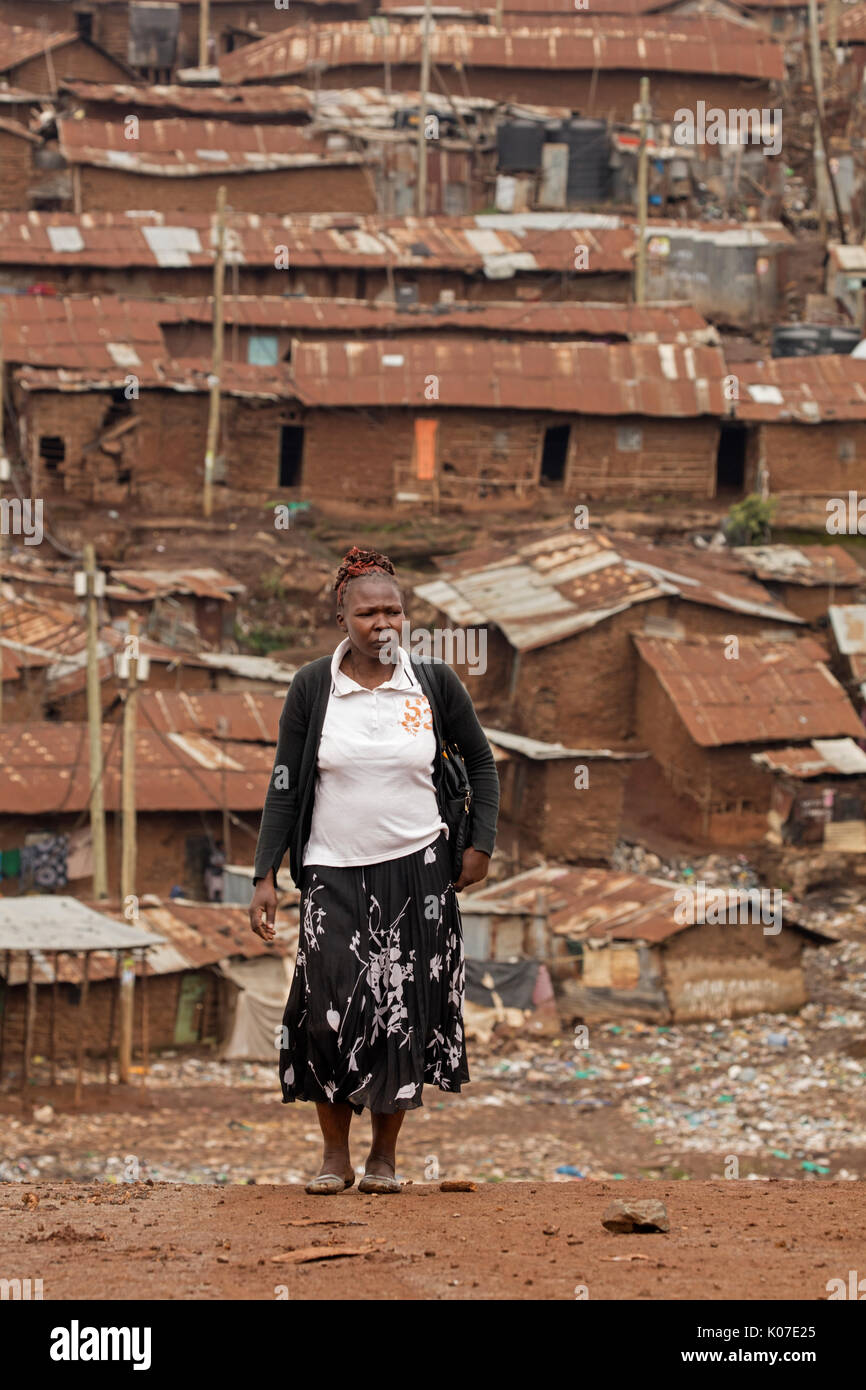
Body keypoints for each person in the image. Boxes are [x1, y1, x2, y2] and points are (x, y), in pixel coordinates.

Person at [248, 546, 499, 1194]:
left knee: (401, 1013)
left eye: (393, 610)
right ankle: (335, 1155)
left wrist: (480, 844)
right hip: (331, 871)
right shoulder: (313, 688)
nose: (382, 623)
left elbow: (480, 761)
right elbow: (284, 784)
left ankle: (383, 1158)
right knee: (324, 1012)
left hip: (419, 871)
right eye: (367, 613)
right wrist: (263, 875)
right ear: (342, 618)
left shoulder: (433, 683)